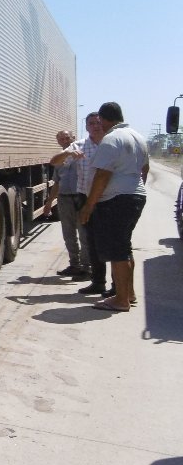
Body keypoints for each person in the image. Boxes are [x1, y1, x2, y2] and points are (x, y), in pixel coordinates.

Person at [79, 102, 149, 311]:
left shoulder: (112, 139)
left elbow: (102, 175)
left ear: (102, 119)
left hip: (116, 200)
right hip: (134, 196)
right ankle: (129, 293)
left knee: (117, 251)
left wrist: (89, 206)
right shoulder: (138, 137)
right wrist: (132, 189)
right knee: (124, 247)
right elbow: (145, 168)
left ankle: (121, 300)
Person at [51, 112, 106, 294]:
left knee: (93, 238)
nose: (95, 126)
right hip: (72, 198)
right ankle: (80, 268)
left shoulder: (111, 144)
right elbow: (55, 167)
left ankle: (90, 270)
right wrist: (49, 202)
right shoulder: (75, 149)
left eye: (98, 122)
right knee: (71, 234)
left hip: (103, 198)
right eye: (91, 123)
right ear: (87, 126)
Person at [44, 129, 89, 279]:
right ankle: (74, 265)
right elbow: (57, 182)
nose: (65, 141)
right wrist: (49, 202)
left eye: (67, 138)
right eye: (61, 139)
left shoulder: (83, 153)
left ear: (73, 138)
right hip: (64, 199)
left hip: (81, 197)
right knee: (68, 234)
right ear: (58, 141)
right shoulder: (59, 159)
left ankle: (86, 267)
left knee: (84, 233)